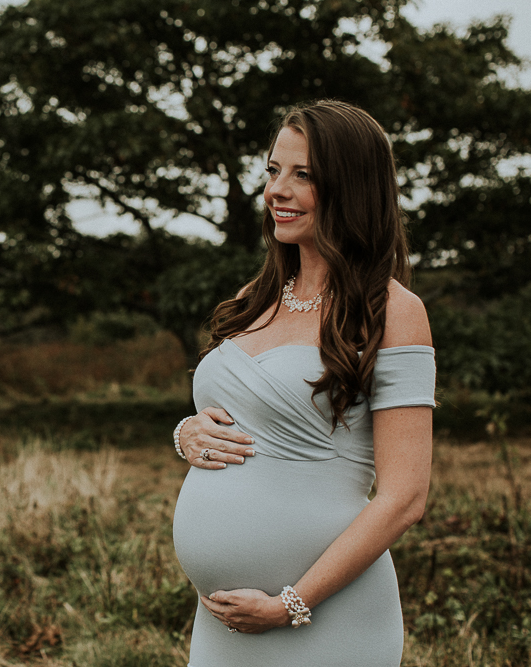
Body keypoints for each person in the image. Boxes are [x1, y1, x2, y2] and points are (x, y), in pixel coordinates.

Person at [171, 99, 435, 667]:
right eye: (272, 171)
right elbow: (239, 417)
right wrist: (187, 434)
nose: (277, 191)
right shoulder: (254, 296)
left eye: (303, 175)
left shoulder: (392, 309)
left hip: (327, 617)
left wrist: (292, 603)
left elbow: (405, 497)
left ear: (352, 188)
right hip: (223, 623)